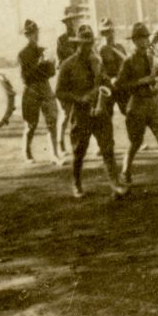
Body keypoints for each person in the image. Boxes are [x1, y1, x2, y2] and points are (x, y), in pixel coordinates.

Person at [54, 23, 127, 200]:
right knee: (79, 151)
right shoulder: (67, 65)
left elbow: (104, 82)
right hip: (81, 113)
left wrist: (108, 85)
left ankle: (115, 183)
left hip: (100, 111)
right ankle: (76, 183)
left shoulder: (97, 61)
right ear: (77, 44)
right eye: (84, 44)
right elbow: (59, 92)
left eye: (90, 43)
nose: (88, 47)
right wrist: (80, 98)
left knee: (108, 148)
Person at [114, 22, 158, 188]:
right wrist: (142, 81)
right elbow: (119, 85)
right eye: (140, 38)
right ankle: (125, 171)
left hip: (153, 103)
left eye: (146, 37)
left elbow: (156, 78)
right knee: (136, 142)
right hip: (137, 105)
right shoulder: (128, 61)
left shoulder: (151, 57)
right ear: (134, 41)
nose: (144, 41)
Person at [17, 19, 61, 164]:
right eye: (30, 33)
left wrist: (50, 64)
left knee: (52, 121)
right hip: (31, 89)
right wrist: (40, 65)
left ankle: (54, 154)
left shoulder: (43, 50)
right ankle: (27, 152)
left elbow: (52, 72)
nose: (34, 35)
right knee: (31, 124)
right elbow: (25, 77)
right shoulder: (23, 54)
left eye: (35, 32)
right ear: (26, 35)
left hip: (44, 87)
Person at [56, 6, 86, 151]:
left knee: (83, 112)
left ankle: (81, 143)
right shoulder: (61, 40)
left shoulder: (80, 36)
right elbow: (60, 61)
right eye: (68, 21)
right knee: (66, 113)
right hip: (67, 80)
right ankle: (60, 142)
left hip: (80, 79)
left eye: (72, 20)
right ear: (65, 23)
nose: (71, 23)